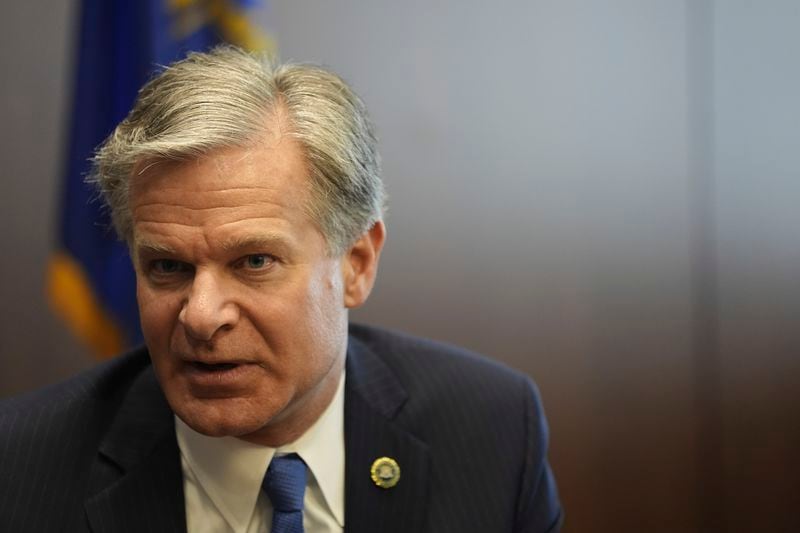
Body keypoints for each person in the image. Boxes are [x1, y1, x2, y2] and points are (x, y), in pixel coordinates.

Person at [0, 46, 562, 532]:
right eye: (168, 267)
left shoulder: (491, 429)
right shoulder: (19, 467)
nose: (200, 316)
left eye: (254, 261)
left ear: (356, 264)